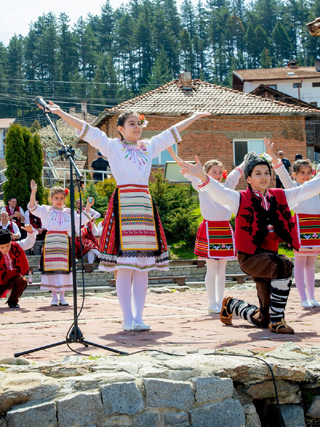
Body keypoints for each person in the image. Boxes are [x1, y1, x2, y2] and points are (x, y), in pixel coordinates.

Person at [43, 100, 210, 331]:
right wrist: (60, 113)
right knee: (125, 265)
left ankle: (139, 317)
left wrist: (195, 116)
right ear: (120, 129)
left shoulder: (149, 146)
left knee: (142, 266)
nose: (137, 127)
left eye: (138, 124)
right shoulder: (111, 145)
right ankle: (127, 318)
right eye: (131, 123)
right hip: (124, 204)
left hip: (143, 205)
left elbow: (172, 132)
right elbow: (85, 128)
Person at [175, 151, 320, 334]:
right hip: (250, 258)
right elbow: (219, 191)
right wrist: (201, 175)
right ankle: (278, 321)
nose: (263, 177)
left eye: (266, 173)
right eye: (258, 173)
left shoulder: (280, 196)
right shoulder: (239, 198)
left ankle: (232, 305)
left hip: (269, 259)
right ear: (248, 179)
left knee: (263, 318)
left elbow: (308, 188)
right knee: (284, 264)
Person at [267, 138, 320, 308]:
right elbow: (281, 171)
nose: (305, 176)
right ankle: (303, 298)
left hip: (316, 225)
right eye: (301, 173)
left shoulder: (315, 184)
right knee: (299, 263)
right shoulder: (292, 186)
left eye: (308, 172)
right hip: (300, 225)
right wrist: (272, 155)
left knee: (311, 264)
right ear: (295, 175)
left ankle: (312, 297)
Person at [175, 151, 243, 314]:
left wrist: (249, 159)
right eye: (214, 172)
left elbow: (238, 171)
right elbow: (188, 172)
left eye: (220, 172)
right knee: (212, 269)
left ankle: (220, 302)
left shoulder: (228, 186)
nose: (218, 175)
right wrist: (182, 162)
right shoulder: (201, 184)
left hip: (225, 229)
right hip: (210, 229)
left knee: (222, 270)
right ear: (206, 173)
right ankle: (212, 303)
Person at [28, 181, 93, 307]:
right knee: (52, 268)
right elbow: (32, 207)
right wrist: (33, 192)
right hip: (51, 241)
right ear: (51, 199)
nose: (59, 200)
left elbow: (82, 219)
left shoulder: (69, 212)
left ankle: (62, 296)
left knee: (64, 268)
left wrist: (88, 206)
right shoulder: (45, 210)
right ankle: (53, 296)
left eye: (61, 198)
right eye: (56, 198)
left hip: (64, 241)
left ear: (65, 199)